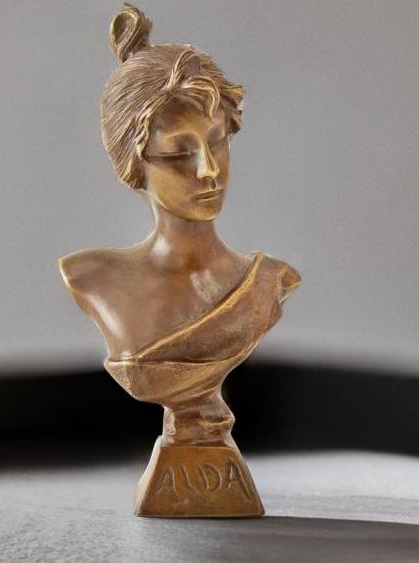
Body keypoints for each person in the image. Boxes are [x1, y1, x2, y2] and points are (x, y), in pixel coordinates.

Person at [59, 4, 300, 364]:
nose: (208, 169)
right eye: (178, 154)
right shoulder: (91, 278)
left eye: (217, 142)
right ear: (134, 165)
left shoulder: (268, 283)